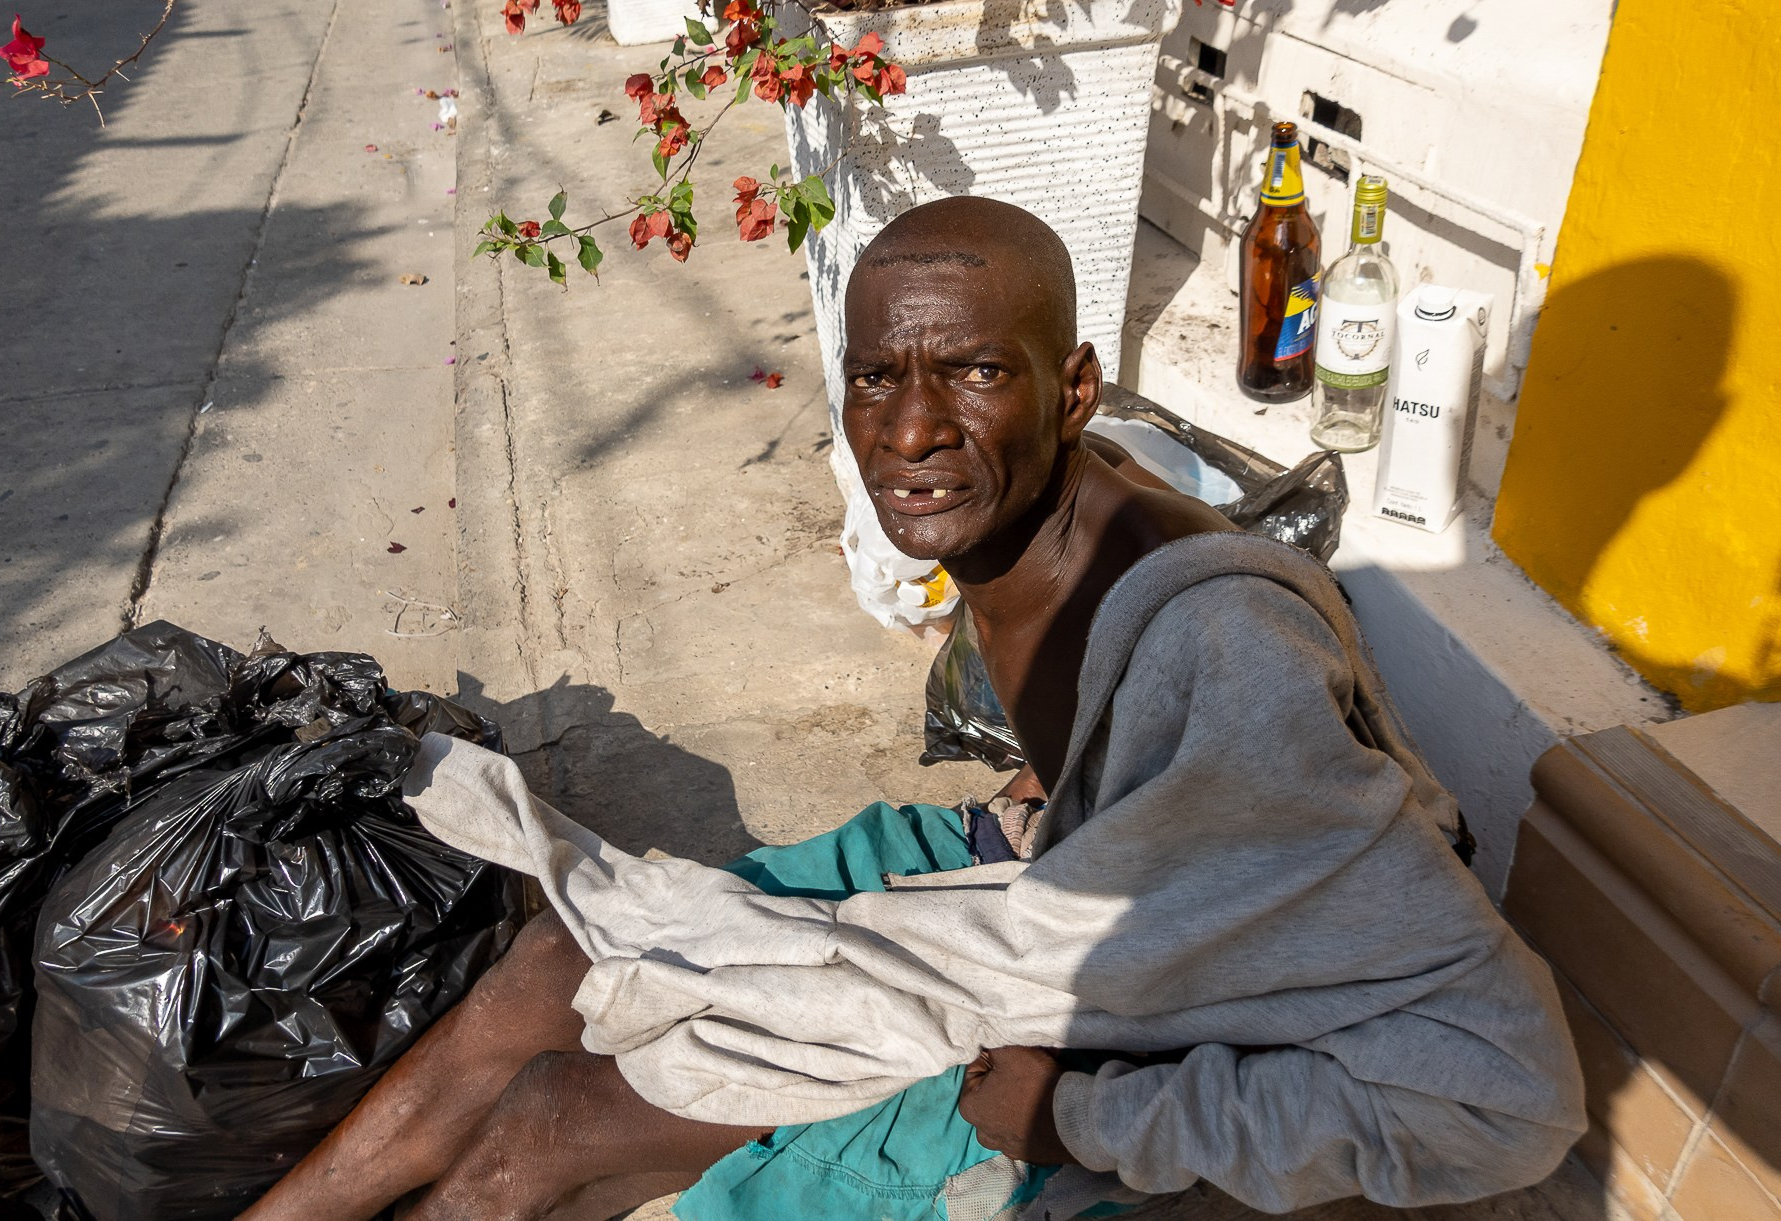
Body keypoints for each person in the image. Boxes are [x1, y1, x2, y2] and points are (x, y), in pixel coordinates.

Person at [241, 197, 1584, 1221]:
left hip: (1116, 1011)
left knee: (555, 1121)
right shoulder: (1033, 527)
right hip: (1035, 870)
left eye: (976, 374)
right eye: (880, 376)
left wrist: (1089, 1121)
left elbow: (1510, 1095)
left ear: (1073, 389)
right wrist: (1066, 805)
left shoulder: (1223, 652)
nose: (912, 429)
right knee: (559, 961)